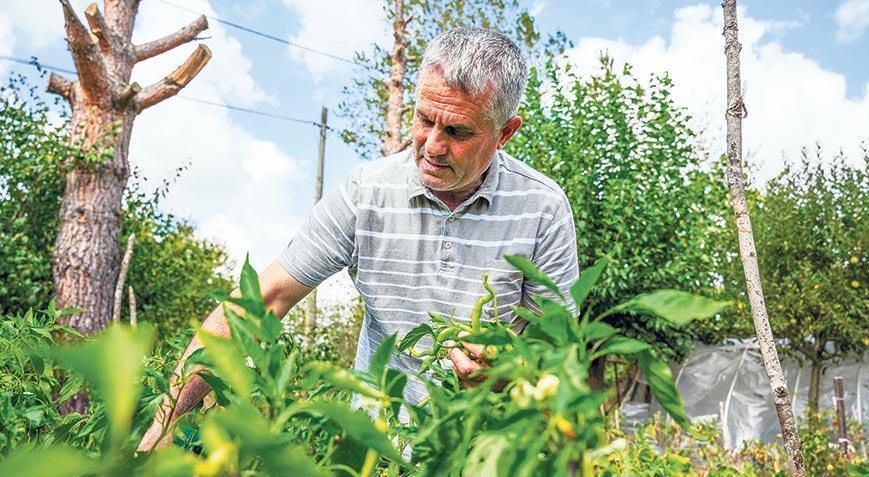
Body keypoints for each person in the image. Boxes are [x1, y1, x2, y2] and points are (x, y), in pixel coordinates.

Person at [137, 27, 578, 451]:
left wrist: (507, 373)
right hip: (375, 447)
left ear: (504, 133)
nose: (432, 146)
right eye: (425, 119)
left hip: (490, 451)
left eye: (458, 132)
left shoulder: (542, 208)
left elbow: (557, 354)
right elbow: (261, 302)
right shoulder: (366, 192)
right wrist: (163, 426)